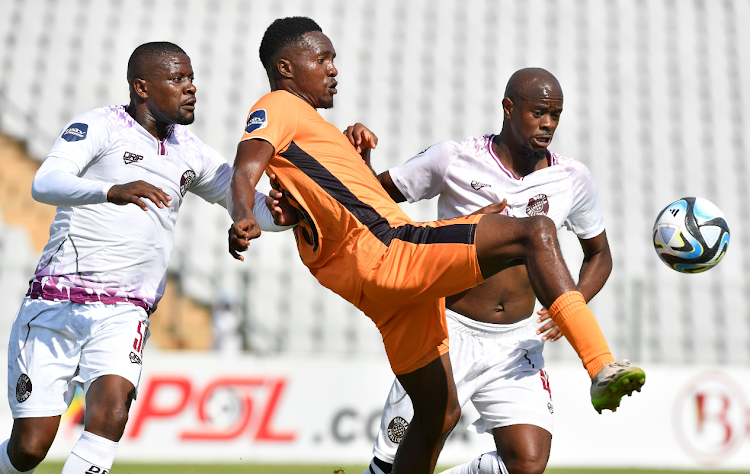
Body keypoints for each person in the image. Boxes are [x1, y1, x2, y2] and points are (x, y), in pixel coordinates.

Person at [228, 17, 643, 474]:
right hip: (395, 254)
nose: (333, 70)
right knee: (534, 231)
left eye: (334, 60)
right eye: (323, 59)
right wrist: (245, 213)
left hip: (389, 296)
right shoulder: (278, 105)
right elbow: (247, 163)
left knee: (439, 416)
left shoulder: (317, 129)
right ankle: (601, 365)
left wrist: (357, 159)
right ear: (286, 68)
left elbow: (352, 198)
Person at [0, 42, 292, 474]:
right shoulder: (100, 126)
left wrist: (282, 215)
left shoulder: (190, 152)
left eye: (191, 78)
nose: (191, 88)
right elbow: (45, 183)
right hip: (56, 303)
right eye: (177, 79)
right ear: (142, 87)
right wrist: (110, 190)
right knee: (29, 450)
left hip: (125, 311)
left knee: (111, 415)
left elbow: (248, 202)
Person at [353, 67, 642, 474]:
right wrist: (359, 157)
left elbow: (600, 255)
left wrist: (570, 304)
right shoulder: (454, 158)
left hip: (516, 343)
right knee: (390, 465)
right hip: (444, 331)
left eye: (556, 115)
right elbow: (372, 201)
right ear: (509, 107)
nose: (548, 124)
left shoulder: (572, 179)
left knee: (526, 463)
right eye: (539, 112)